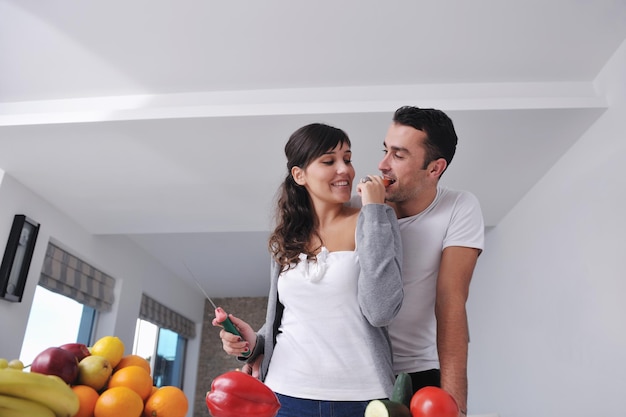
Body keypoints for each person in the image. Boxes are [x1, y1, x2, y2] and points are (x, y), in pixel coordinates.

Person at [214, 122, 404, 417]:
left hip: (364, 397)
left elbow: (381, 311)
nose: (345, 169)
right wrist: (253, 340)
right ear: (299, 175)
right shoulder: (287, 236)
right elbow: (291, 317)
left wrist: (375, 211)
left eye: (348, 159)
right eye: (329, 161)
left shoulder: (375, 218)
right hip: (285, 394)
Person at [379, 106, 485, 417]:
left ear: (435, 168)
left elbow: (451, 300)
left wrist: (456, 407)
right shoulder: (359, 205)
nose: (382, 165)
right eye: (385, 150)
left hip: (419, 373)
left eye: (398, 156)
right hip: (359, 368)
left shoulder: (459, 206)